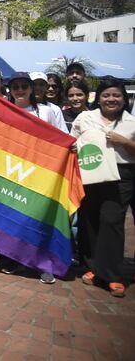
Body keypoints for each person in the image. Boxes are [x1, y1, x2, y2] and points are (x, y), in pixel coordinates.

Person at [3, 72, 69, 283]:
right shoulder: (3, 111)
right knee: (15, 218)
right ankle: (15, 257)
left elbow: (61, 138)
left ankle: (43, 263)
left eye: (24, 86)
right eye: (15, 87)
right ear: (10, 91)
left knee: (40, 219)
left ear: (32, 89)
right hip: (13, 172)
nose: (20, 90)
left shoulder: (47, 112)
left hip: (41, 174)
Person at [72, 78, 135, 298]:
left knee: (112, 221)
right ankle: (92, 267)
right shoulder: (85, 117)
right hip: (90, 170)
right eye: (106, 95)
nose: (111, 99)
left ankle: (114, 276)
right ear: (98, 98)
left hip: (121, 174)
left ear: (124, 99)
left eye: (116, 95)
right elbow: (73, 142)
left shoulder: (131, 122)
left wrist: (124, 142)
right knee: (89, 219)